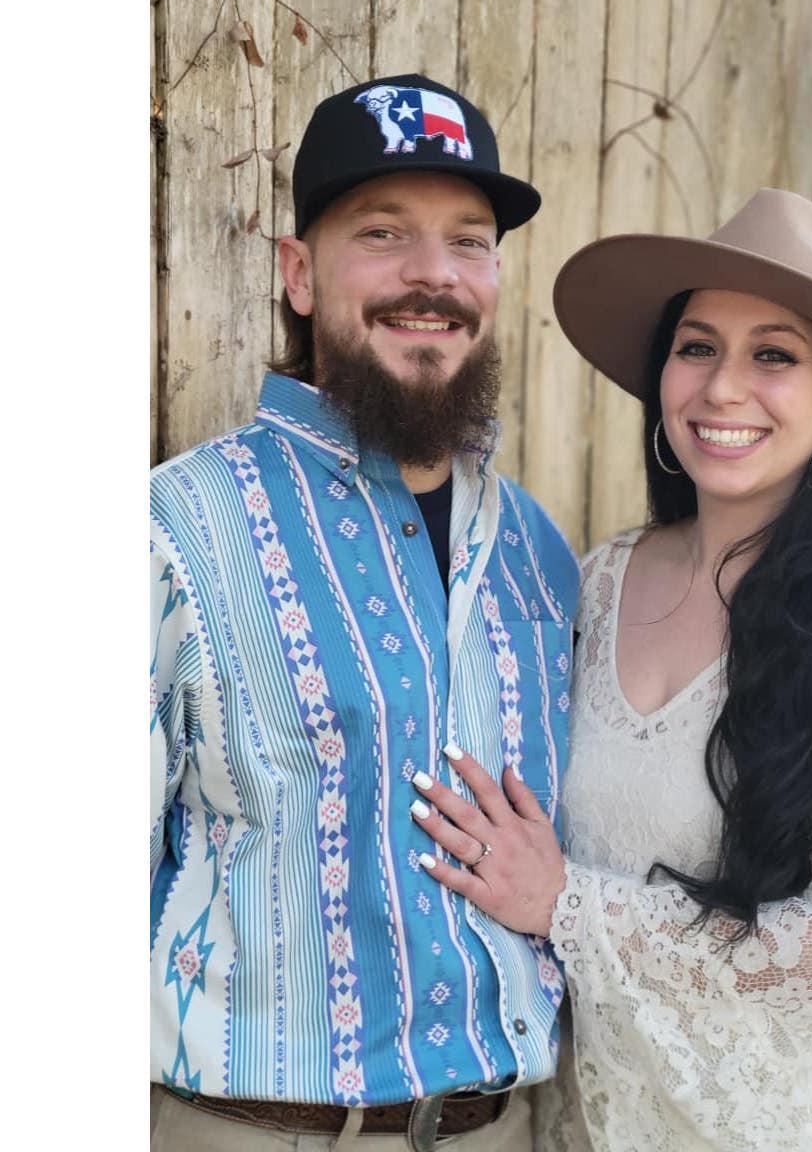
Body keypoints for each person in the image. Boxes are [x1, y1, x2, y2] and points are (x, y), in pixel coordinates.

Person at [407, 188, 812, 1150]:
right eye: (698, 346)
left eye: (775, 356)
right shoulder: (596, 583)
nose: (722, 389)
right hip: (594, 1125)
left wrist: (567, 906)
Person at [150, 74, 578, 1152]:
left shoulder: (539, 553)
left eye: (468, 241)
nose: (434, 274)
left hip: (501, 1130)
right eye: (383, 233)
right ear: (300, 273)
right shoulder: (175, 531)